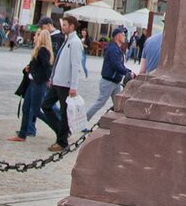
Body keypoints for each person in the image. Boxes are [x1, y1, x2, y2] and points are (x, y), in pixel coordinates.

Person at [39, 14, 85, 151]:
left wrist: (74, 86)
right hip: (57, 82)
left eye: (65, 25)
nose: (62, 27)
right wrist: (52, 78)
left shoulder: (75, 42)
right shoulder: (66, 40)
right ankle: (61, 131)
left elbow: (76, 66)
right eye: (63, 24)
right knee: (46, 105)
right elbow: (59, 61)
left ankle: (62, 141)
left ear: (72, 26)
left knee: (65, 112)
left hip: (66, 84)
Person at [10, 22, 54, 141]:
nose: (34, 37)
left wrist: (43, 79)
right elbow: (36, 66)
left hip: (38, 84)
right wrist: (28, 70)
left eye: (36, 35)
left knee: (36, 110)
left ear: (41, 37)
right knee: (26, 108)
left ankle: (58, 128)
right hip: (32, 83)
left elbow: (47, 68)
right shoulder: (37, 50)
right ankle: (22, 134)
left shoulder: (43, 50)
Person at [86, 26, 133, 124]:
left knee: (118, 105)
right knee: (100, 103)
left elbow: (120, 65)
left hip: (115, 82)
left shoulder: (117, 49)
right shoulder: (113, 50)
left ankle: (117, 123)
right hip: (108, 82)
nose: (125, 37)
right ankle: (84, 121)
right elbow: (116, 65)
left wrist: (129, 71)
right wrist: (127, 72)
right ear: (118, 36)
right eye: (123, 35)